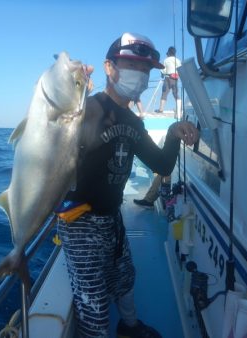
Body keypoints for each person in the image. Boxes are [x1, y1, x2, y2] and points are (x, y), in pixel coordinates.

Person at [56, 32, 199, 338]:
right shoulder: (82, 111)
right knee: (93, 304)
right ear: (109, 67)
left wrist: (173, 132)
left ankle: (129, 326)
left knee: (124, 276)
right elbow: (53, 137)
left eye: (147, 70)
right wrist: (72, 92)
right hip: (80, 221)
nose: (142, 75)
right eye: (133, 65)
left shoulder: (134, 123)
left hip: (112, 217)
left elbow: (161, 165)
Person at [155, 47, 182, 119]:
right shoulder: (178, 60)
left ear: (169, 53)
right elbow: (180, 69)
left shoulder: (166, 60)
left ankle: (161, 110)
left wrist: (162, 75)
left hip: (168, 78)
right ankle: (179, 109)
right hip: (176, 78)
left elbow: (163, 70)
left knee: (164, 93)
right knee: (176, 94)